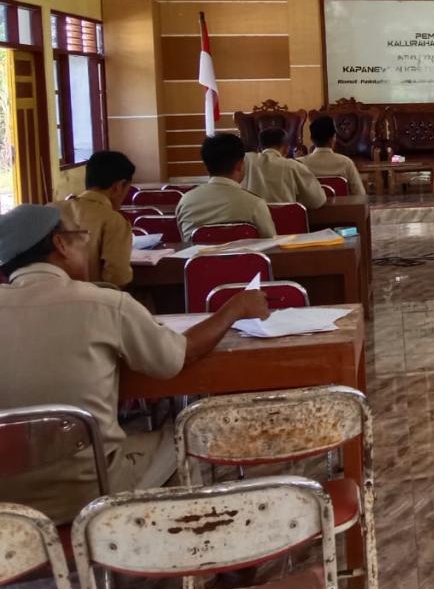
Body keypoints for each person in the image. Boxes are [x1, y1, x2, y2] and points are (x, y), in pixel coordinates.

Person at [0, 204, 268, 523]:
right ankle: (181, 542)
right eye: (81, 236)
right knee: (184, 435)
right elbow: (180, 356)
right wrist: (234, 309)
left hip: (8, 498)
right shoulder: (105, 305)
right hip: (89, 489)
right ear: (61, 244)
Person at [176, 133, 277, 243]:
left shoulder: (185, 202)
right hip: (243, 255)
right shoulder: (255, 204)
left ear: (206, 166)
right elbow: (270, 243)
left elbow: (183, 244)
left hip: (199, 255)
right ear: (239, 165)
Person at [62, 149, 136, 286]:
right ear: (118, 187)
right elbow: (117, 278)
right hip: (91, 296)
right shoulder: (114, 221)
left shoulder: (51, 211)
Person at [244, 128, 327, 209]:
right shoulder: (294, 166)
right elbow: (317, 200)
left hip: (253, 217)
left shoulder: (246, 160)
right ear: (287, 148)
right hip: (286, 217)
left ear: (259, 148)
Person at [301, 115, 367, 197]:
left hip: (311, 205)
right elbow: (360, 195)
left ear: (312, 139)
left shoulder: (300, 163)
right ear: (333, 138)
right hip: (341, 205)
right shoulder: (346, 163)